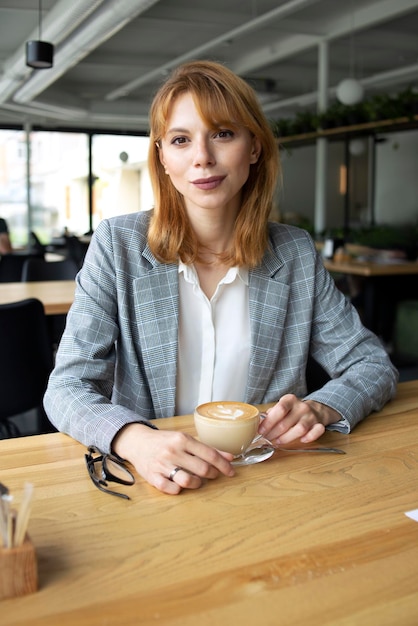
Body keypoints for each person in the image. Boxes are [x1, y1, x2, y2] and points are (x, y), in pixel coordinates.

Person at [44, 60, 398, 495]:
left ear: (254, 147)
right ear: (163, 158)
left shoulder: (295, 252)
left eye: (223, 134)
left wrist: (323, 407)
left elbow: (371, 364)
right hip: (155, 481)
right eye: (180, 140)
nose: (202, 158)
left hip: (271, 481)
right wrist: (135, 440)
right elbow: (66, 387)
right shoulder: (118, 245)